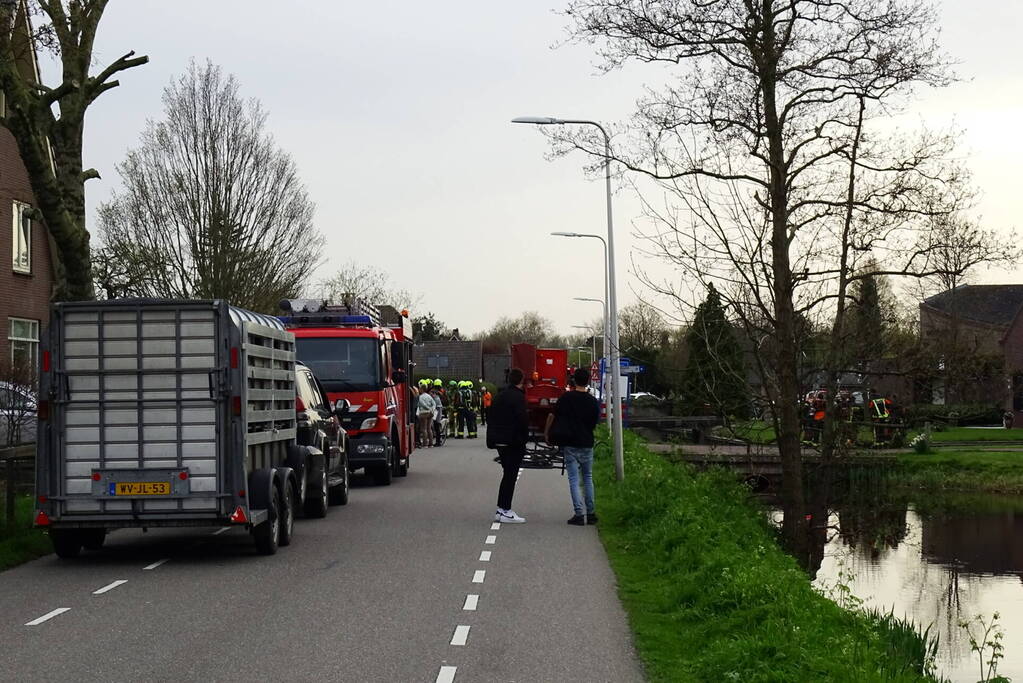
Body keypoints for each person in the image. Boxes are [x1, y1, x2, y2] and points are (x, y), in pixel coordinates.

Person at [545, 367, 601, 526]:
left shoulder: (566, 398)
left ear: (574, 380)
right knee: (588, 478)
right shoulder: (592, 401)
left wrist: (547, 433)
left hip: (570, 443)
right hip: (586, 443)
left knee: (574, 480)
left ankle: (579, 514)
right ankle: (591, 514)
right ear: (588, 381)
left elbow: (552, 415)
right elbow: (595, 422)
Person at [488, 368, 529, 523]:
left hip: (499, 441)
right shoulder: (518, 397)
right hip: (513, 442)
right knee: (511, 475)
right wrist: (524, 438)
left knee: (507, 474)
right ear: (521, 380)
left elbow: (491, 417)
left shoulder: (499, 396)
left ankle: (501, 509)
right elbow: (522, 420)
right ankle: (506, 510)